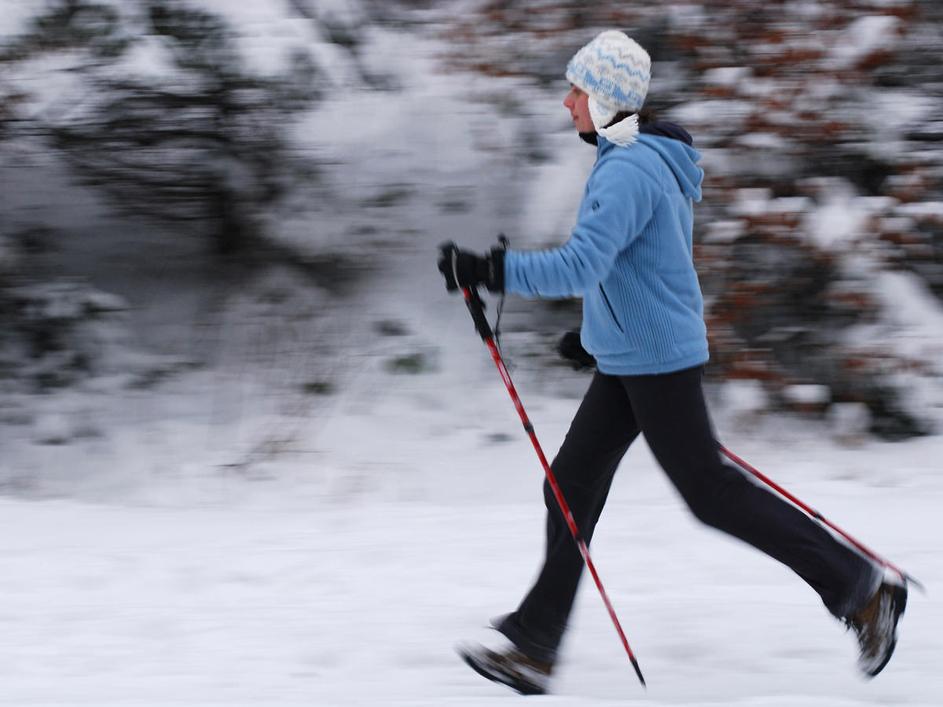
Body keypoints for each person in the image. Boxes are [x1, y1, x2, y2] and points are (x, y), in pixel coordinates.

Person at [437, 30, 907, 696]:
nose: (566, 101)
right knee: (569, 486)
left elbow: (581, 263)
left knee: (707, 492)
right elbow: (637, 268)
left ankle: (861, 590)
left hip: (654, 361)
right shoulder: (633, 158)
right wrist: (596, 337)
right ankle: (535, 644)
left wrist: (488, 269)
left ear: (605, 99)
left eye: (577, 90)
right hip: (634, 356)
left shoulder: (627, 169)